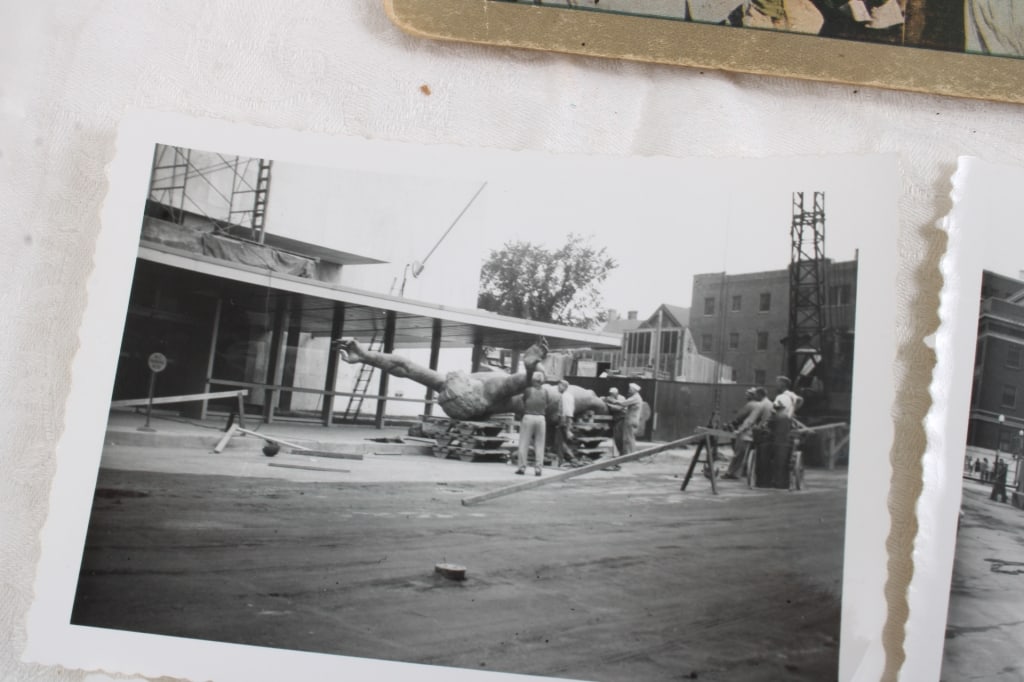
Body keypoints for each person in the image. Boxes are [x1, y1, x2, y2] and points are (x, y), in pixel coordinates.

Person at [334, 337, 608, 422]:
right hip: (545, 399)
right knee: (588, 398)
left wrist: (365, 356)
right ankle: (608, 407)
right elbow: (517, 381)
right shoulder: (486, 388)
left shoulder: (450, 389)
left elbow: (403, 367)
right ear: (467, 385)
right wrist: (529, 368)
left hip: (527, 399)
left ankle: (606, 406)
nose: (458, 375)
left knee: (585, 398)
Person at [725, 388, 772, 479]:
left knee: (738, 452)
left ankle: (731, 473)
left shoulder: (758, 405)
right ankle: (742, 471)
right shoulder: (770, 403)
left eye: (753, 394)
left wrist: (740, 430)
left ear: (758, 395)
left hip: (752, 433)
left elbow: (749, 420)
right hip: (764, 433)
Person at [517, 371, 548, 476]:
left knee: (524, 443)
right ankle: (538, 469)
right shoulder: (545, 392)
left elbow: (523, 402)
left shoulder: (528, 390)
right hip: (541, 418)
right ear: (542, 381)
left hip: (528, 416)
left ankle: (522, 467)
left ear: (533, 380)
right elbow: (547, 403)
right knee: (539, 444)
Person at [554, 380, 579, 468]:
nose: (558, 387)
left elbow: (565, 410)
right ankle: (567, 459)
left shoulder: (564, 396)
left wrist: (563, 423)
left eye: (559, 386)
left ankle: (566, 460)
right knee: (562, 442)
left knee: (560, 442)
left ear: (564, 387)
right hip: (567, 419)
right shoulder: (570, 396)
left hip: (564, 420)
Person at [621, 383, 644, 456]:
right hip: (634, 420)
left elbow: (623, 403)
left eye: (630, 389)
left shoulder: (635, 397)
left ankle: (630, 455)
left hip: (630, 420)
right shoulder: (637, 397)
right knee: (630, 437)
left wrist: (613, 401)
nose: (629, 391)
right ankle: (631, 454)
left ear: (634, 390)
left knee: (628, 438)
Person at [603, 387, 626, 456]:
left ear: (616, 393)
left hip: (622, 418)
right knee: (616, 437)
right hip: (615, 419)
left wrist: (609, 405)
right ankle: (618, 452)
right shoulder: (609, 398)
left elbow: (619, 408)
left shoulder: (621, 398)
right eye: (611, 394)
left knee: (620, 437)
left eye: (613, 394)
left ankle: (622, 452)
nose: (611, 395)